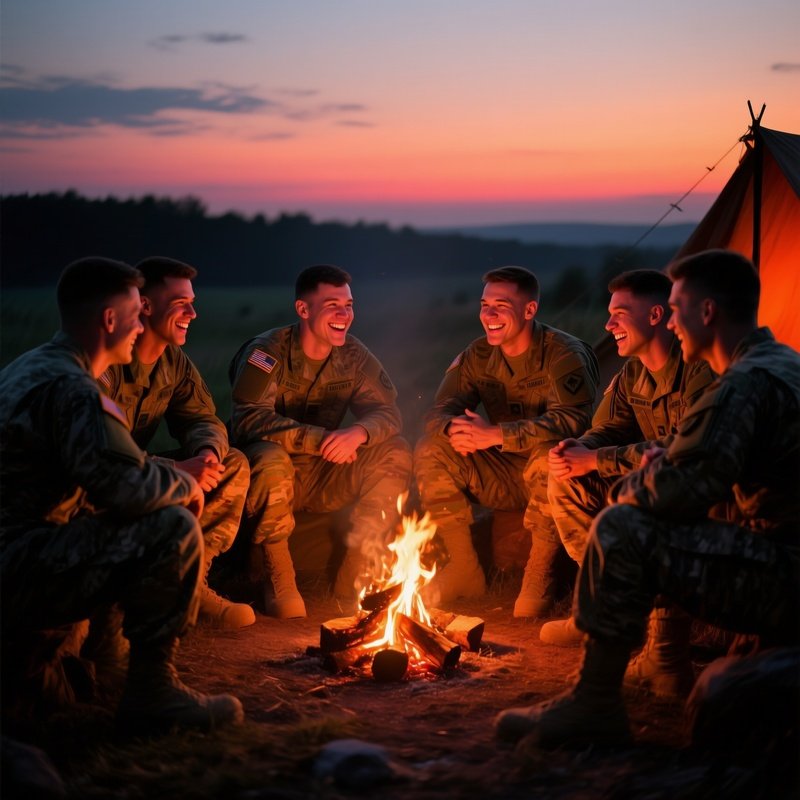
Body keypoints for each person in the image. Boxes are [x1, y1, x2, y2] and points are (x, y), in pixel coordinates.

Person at [496, 249, 800, 748]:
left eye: (677, 309)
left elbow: (682, 491)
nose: (672, 323)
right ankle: (644, 647)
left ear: (707, 312)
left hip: (785, 573)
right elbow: (686, 464)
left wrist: (642, 479)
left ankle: (596, 701)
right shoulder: (780, 362)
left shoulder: (742, 383)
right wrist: (647, 466)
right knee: (637, 514)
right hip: (777, 552)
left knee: (625, 527)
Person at [0, 257, 243, 733]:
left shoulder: (35, 367)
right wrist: (185, 484)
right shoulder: (75, 388)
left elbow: (112, 472)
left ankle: (102, 655)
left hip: (26, 547)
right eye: (135, 315)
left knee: (136, 516)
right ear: (110, 319)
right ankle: (152, 694)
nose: (139, 327)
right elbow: (126, 486)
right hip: (20, 562)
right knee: (168, 526)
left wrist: (190, 468)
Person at [541, 270, 715, 680]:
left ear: (655, 315)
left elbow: (684, 447)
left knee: (653, 494)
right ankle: (603, 604)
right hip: (654, 480)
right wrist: (578, 448)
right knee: (565, 477)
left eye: (619, 314)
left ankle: (651, 630)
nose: (608, 325)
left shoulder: (699, 368)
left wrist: (596, 460)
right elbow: (612, 428)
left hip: (705, 494)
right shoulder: (632, 374)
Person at [229, 264, 412, 617]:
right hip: (267, 478)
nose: (345, 315)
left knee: (394, 451)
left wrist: (359, 433)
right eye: (332, 306)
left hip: (323, 474)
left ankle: (358, 568)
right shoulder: (267, 352)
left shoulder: (353, 355)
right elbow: (248, 418)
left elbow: (388, 413)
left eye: (349, 305)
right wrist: (321, 439)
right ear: (303, 309)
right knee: (271, 459)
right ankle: (278, 576)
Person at [414, 266, 599, 611]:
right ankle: (463, 567)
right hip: (501, 474)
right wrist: (456, 429)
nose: (489, 315)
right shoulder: (478, 355)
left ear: (529, 310)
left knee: (552, 453)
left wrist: (495, 434)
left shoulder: (563, 353)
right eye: (485, 305)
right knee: (432, 449)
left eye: (501, 306)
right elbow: (436, 412)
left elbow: (574, 420)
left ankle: (539, 574)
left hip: (557, 480)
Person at [100, 257, 254, 630]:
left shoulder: (173, 362)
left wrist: (207, 454)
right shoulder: (105, 361)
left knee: (231, 463)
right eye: (180, 304)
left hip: (140, 474)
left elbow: (201, 418)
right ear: (145, 306)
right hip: (103, 485)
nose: (192, 314)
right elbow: (100, 456)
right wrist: (177, 470)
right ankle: (130, 595)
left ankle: (190, 579)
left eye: (192, 303)